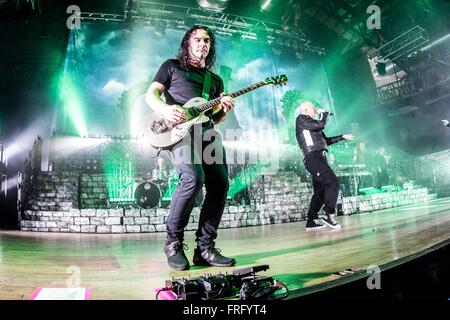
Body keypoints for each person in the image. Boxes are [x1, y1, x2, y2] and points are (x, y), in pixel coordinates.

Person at [145, 25, 236, 271]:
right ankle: (173, 243)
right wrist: (165, 110)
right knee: (193, 178)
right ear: (187, 43)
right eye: (197, 39)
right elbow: (151, 95)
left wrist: (224, 109)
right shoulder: (171, 66)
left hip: (207, 132)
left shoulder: (214, 80)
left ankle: (204, 249)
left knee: (220, 183)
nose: (203, 43)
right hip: (177, 131)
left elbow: (215, 119)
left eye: (207, 40)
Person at [295, 101, 354, 230]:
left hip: (318, 158)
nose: (315, 110)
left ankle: (311, 220)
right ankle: (329, 214)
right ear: (305, 109)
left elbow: (325, 141)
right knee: (332, 182)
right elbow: (321, 124)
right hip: (313, 157)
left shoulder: (311, 126)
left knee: (320, 192)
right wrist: (323, 114)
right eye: (313, 108)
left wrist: (342, 137)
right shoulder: (301, 120)